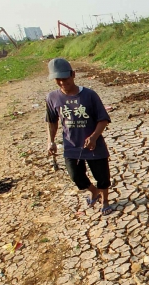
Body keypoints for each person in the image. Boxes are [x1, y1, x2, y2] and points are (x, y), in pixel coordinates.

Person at [45, 58, 113, 216]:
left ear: (73, 75)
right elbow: (51, 122)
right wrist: (51, 141)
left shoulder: (89, 95)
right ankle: (94, 191)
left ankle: (105, 201)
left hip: (94, 145)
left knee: (102, 176)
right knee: (76, 176)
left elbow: (103, 119)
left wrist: (94, 137)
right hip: (71, 145)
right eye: (58, 80)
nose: (62, 83)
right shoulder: (52, 98)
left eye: (65, 78)